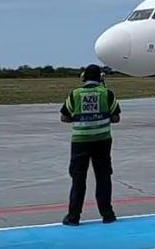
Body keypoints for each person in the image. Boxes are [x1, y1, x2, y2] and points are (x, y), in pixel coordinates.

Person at [60, 64, 121, 226]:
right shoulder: (107, 94)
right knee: (103, 177)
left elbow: (64, 117)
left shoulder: (75, 94)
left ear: (83, 77)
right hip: (102, 141)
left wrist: (81, 119)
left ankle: (73, 217)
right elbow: (116, 118)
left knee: (78, 179)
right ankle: (107, 214)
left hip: (80, 142)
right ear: (101, 77)